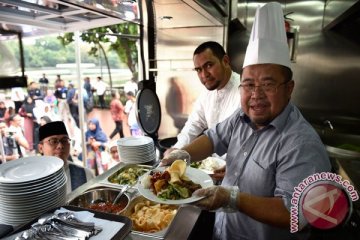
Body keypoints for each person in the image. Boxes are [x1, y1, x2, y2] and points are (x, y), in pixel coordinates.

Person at [162, 3, 331, 240]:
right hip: (224, 232)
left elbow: (298, 215)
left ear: (289, 88)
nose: (256, 95)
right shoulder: (242, 117)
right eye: (249, 84)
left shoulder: (301, 143)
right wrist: (182, 155)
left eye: (268, 84)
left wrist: (233, 199)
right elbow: (213, 138)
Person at [38, 121, 94, 193]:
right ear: (40, 148)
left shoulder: (86, 175)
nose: (60, 146)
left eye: (64, 140)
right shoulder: (30, 179)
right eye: (53, 141)